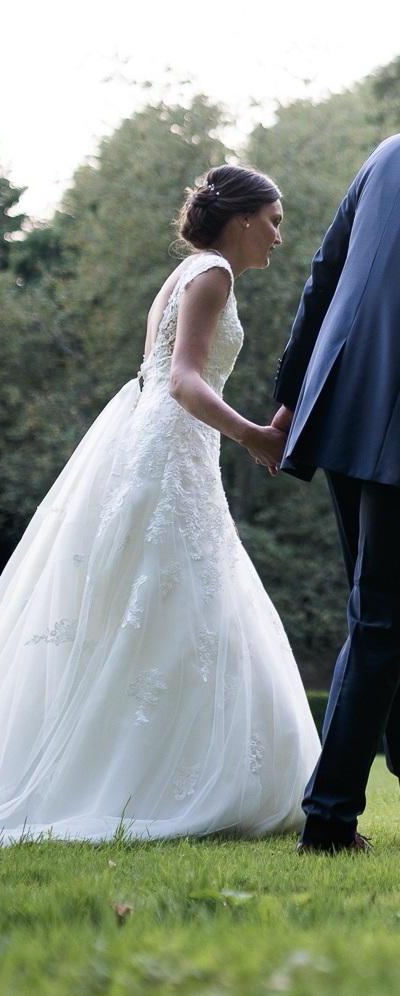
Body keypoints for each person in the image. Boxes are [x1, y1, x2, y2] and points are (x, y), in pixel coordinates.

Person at [0, 165, 319, 850]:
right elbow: (184, 382)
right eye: (275, 220)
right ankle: (152, 784)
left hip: (164, 454)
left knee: (165, 612)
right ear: (243, 218)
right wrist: (252, 435)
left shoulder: (190, 272)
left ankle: (154, 775)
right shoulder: (212, 273)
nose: (280, 236)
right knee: (177, 609)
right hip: (171, 453)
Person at [273, 134, 400, 855]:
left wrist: (292, 395)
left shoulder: (386, 155)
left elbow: (323, 275)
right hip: (391, 421)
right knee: (382, 620)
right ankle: (327, 820)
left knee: (380, 616)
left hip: (343, 403)